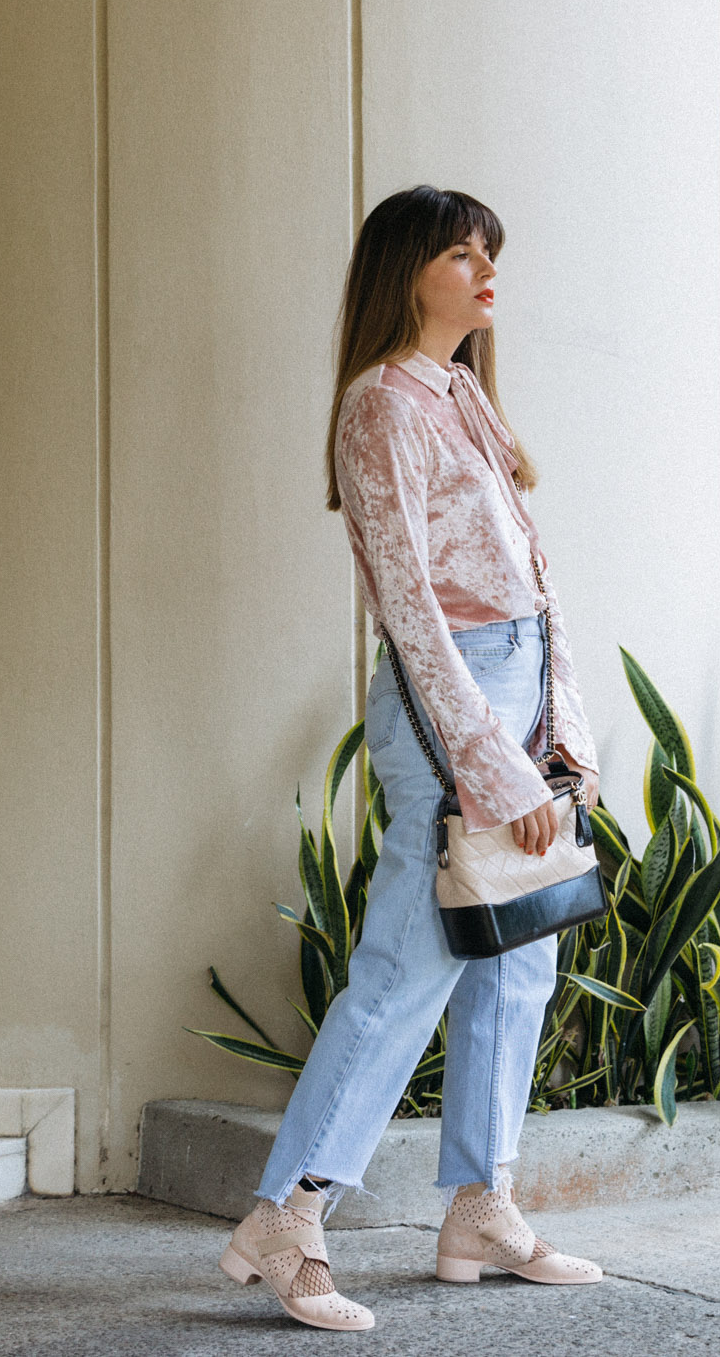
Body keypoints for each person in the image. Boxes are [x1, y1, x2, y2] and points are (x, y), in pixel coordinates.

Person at [216, 187, 608, 1331]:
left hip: (517, 693)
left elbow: (535, 592)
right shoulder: (380, 405)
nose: (485, 269)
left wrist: (563, 734)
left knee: (514, 954)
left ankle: (481, 1203)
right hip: (455, 711)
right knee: (408, 965)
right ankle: (285, 1212)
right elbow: (411, 611)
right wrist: (493, 767)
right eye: (457, 251)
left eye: (490, 249)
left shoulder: (464, 400)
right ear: (405, 273)